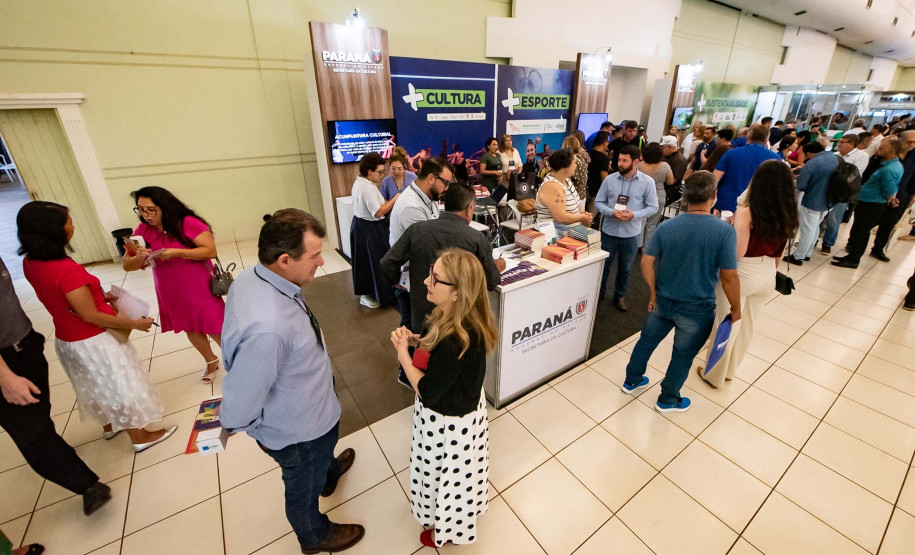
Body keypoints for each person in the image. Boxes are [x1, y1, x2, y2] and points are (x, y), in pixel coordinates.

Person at [221, 209, 363, 554]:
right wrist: (257, 429)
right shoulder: (269, 329)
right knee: (302, 487)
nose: (321, 263)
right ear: (284, 260)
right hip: (297, 431)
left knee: (320, 459)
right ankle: (315, 536)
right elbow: (240, 405)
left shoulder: (253, 279)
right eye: (315, 256)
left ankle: (327, 472)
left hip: (312, 410)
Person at [18, 201, 176, 453]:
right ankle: (140, 436)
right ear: (53, 231)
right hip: (95, 341)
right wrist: (134, 323)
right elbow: (90, 315)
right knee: (120, 385)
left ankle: (111, 425)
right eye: (68, 223)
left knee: (94, 383)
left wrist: (100, 296)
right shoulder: (65, 269)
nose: (73, 226)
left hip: (68, 339)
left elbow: (63, 298)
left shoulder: (31, 261)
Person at [390, 248, 498, 548]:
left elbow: (426, 388)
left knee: (449, 480)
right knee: (447, 476)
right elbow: (433, 346)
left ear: (458, 293)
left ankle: (449, 529)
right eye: (430, 272)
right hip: (455, 411)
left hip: (449, 425)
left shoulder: (457, 340)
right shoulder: (448, 315)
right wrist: (416, 341)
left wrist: (403, 355)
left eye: (436, 279)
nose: (426, 281)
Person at [0, 256, 111, 517]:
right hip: (5, 364)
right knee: (31, 433)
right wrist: (5, 377)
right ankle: (86, 485)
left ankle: (53, 446)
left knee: (39, 416)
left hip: (24, 345)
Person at [620, 171, 740, 412]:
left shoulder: (667, 226)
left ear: (685, 196)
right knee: (682, 355)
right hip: (698, 307)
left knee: (646, 342)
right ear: (714, 196)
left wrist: (653, 292)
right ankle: (668, 399)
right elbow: (729, 275)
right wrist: (736, 307)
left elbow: (646, 261)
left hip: (662, 300)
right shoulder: (725, 232)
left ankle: (632, 380)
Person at [698, 162, 797, 388]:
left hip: (744, 274)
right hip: (768, 272)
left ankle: (713, 374)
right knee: (748, 326)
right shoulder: (788, 213)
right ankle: (730, 371)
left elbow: (737, 254)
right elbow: (780, 254)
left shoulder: (747, 214)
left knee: (727, 324)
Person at [121, 186, 226, 383]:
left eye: (151, 209)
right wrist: (139, 257)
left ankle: (238, 362)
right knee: (190, 327)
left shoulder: (187, 223)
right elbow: (127, 265)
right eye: (140, 209)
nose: (145, 215)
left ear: (165, 206)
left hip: (198, 285)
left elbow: (210, 251)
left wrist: (177, 252)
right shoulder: (143, 230)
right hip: (170, 288)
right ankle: (211, 360)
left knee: (215, 325)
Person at [381, 183, 504, 337]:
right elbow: (492, 281)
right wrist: (496, 267)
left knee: (419, 354)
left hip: (421, 314)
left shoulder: (417, 230)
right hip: (458, 319)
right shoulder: (477, 239)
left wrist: (397, 282)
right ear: (469, 208)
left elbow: (387, 263)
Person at [594, 145, 659, 310]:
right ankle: (598, 295)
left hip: (630, 234)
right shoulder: (610, 180)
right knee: (604, 266)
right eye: (619, 160)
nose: (620, 164)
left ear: (636, 161)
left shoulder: (647, 182)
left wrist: (633, 215)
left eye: (624, 160)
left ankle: (619, 296)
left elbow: (653, 207)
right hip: (608, 231)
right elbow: (598, 202)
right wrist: (611, 212)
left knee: (626, 269)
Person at [833, 138, 905, 269]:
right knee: (858, 230)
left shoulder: (889, 169)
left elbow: (889, 189)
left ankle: (854, 259)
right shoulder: (891, 165)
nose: (878, 150)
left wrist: (891, 198)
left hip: (872, 204)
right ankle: (851, 256)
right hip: (870, 201)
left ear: (892, 150)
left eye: (882, 148)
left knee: (861, 232)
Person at [350, 153, 399, 309]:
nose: (381, 175)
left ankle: (379, 292)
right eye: (379, 172)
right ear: (369, 171)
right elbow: (378, 212)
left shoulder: (366, 184)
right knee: (372, 263)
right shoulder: (366, 188)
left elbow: (381, 203)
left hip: (366, 227)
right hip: (368, 229)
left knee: (372, 262)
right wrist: (396, 198)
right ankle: (371, 294)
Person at [784, 142, 838, 265]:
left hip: (813, 200)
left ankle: (798, 256)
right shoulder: (835, 158)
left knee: (807, 229)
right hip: (829, 200)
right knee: (815, 227)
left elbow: (802, 185)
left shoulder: (812, 163)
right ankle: (808, 253)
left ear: (809, 153)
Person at [869, 130, 915, 261]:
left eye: (914, 142)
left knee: (889, 223)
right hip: (879, 193)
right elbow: (872, 169)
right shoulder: (888, 151)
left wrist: (912, 195)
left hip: (901, 195)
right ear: (901, 140)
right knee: (868, 221)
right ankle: (853, 245)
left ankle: (878, 248)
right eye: (909, 141)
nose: (912, 144)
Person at [713, 125, 780, 213]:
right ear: (766, 140)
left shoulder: (731, 153)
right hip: (755, 208)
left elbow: (714, 179)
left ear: (748, 137)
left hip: (726, 204)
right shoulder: (775, 159)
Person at [822, 134, 870, 253]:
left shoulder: (861, 156)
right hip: (828, 189)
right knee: (821, 217)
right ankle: (813, 241)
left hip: (843, 192)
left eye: (842, 142)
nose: (839, 144)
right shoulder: (834, 155)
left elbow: (852, 174)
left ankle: (827, 243)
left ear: (851, 144)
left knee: (834, 219)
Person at [534, 148, 594, 226]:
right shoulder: (551, 186)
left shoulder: (567, 180)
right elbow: (561, 217)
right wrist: (581, 217)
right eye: (575, 163)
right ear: (566, 166)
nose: (576, 166)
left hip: (569, 232)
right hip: (553, 235)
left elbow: (577, 204)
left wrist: (583, 214)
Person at [637, 142, 674, 249]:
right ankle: (647, 248)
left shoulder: (640, 165)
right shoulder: (665, 166)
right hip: (659, 196)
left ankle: (637, 245)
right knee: (652, 224)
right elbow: (670, 182)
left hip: (642, 196)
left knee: (640, 221)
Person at [587, 131, 612, 211]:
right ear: (604, 142)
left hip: (584, 190)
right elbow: (604, 178)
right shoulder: (604, 158)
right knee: (589, 219)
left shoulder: (587, 153)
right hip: (596, 193)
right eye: (608, 141)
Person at [661, 135, 687, 204]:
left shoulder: (678, 160)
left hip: (669, 191)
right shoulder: (669, 157)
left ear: (669, 147)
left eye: (663, 147)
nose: (662, 150)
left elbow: (675, 179)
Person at [563, 135, 590, 203]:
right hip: (582, 196)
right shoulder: (582, 158)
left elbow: (568, 181)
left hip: (573, 199)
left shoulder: (571, 161)